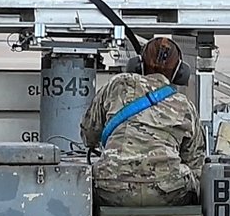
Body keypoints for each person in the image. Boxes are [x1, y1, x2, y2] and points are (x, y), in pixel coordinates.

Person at [80, 37, 207, 207]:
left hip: (111, 188)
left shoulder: (118, 84)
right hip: (169, 192)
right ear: (180, 73)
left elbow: (89, 135)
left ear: (137, 65)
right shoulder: (185, 105)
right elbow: (195, 162)